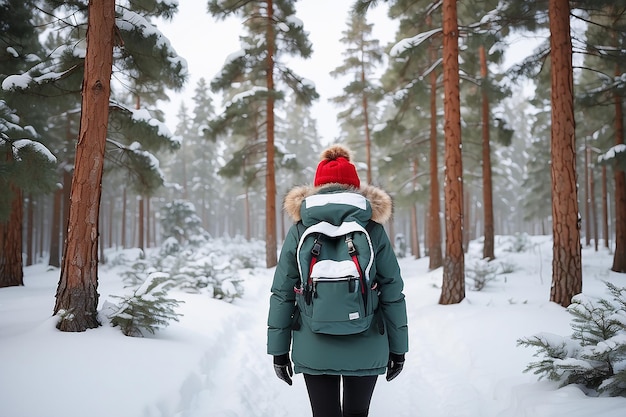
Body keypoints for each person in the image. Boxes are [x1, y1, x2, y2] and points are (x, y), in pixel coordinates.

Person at [267, 144, 409, 417]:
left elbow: (283, 291)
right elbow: (392, 291)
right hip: (367, 338)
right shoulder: (372, 229)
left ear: (317, 187)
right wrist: (399, 349)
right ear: (356, 188)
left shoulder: (301, 229)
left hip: (313, 341)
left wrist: (279, 351)